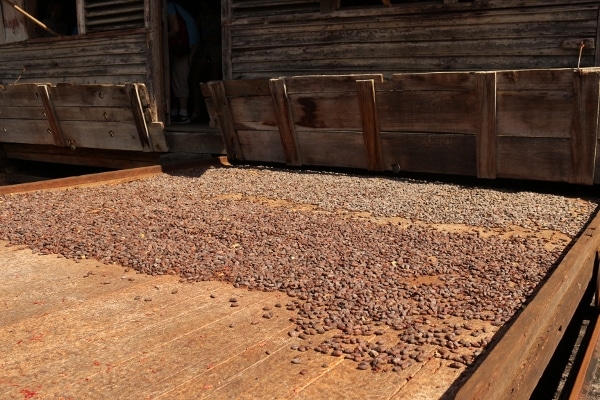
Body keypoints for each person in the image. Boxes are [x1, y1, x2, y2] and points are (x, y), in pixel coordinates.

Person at [167, 1, 200, 124]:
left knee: (180, 78)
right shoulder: (177, 7)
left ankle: (183, 113)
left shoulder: (168, 6)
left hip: (183, 47)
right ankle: (176, 111)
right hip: (188, 45)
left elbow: (175, 29)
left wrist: (158, 36)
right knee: (177, 77)